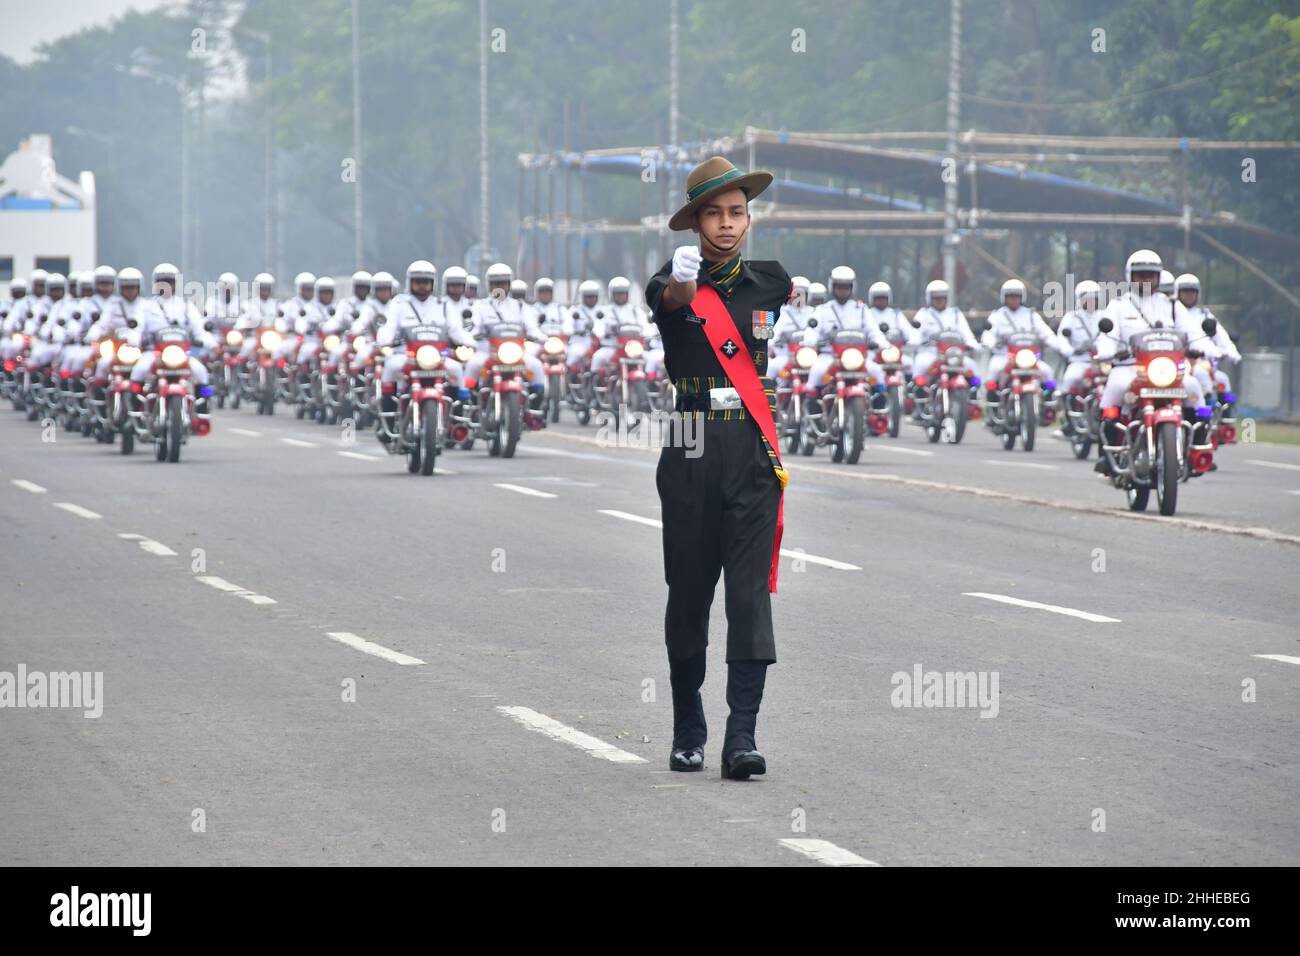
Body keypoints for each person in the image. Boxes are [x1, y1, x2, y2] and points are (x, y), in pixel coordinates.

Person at [644, 155, 791, 781]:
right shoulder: (666, 282)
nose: (727, 224)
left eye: (736, 212)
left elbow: (782, 308)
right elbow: (674, 300)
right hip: (690, 442)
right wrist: (684, 283)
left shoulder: (774, 282)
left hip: (749, 448)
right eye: (714, 213)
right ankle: (687, 728)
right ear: (695, 222)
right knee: (690, 594)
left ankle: (741, 736)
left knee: (749, 596)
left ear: (749, 218)